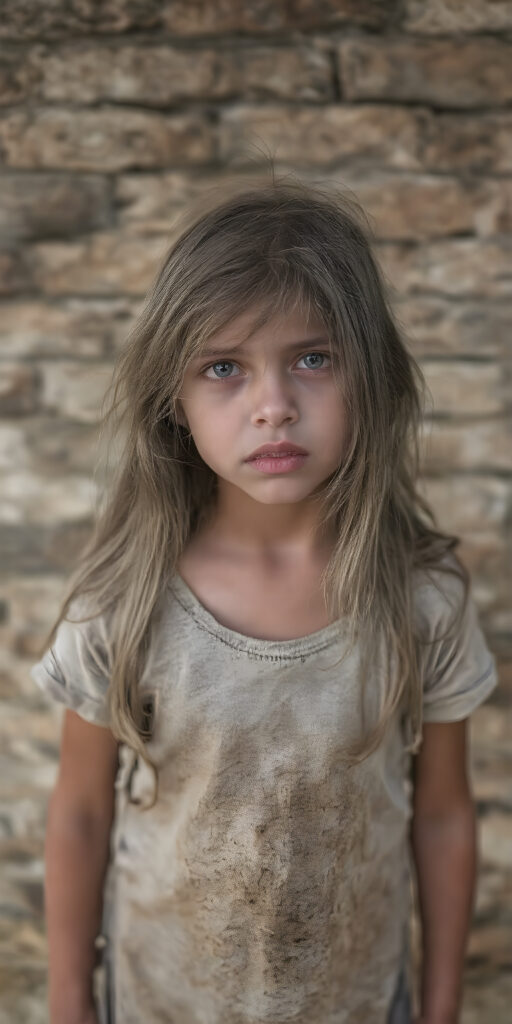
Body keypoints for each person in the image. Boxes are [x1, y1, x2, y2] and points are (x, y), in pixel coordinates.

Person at [30, 168, 498, 1024]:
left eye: (313, 359)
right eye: (224, 368)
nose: (274, 406)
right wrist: (68, 1002)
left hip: (357, 1002)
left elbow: (441, 815)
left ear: (372, 375)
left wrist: (441, 1009)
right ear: (173, 400)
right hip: (162, 1003)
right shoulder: (126, 599)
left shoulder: (421, 600)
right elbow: (82, 810)